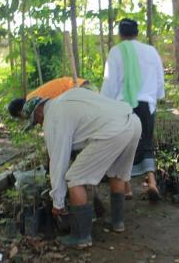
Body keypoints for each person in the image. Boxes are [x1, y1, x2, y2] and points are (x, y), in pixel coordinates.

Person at [22, 88, 141, 248]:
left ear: (39, 113)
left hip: (112, 131)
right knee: (117, 173)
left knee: (74, 178)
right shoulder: (67, 97)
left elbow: (58, 162)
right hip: (132, 121)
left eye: (37, 122)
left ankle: (81, 237)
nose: (39, 125)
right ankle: (117, 222)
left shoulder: (52, 118)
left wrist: (58, 202)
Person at [100, 18, 165, 201]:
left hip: (123, 105)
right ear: (137, 33)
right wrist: (156, 96)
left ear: (120, 34)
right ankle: (151, 182)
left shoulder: (116, 51)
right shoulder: (151, 51)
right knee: (146, 143)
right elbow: (159, 78)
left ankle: (127, 187)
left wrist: (106, 103)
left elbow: (110, 81)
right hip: (146, 103)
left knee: (124, 144)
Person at [8, 77, 93, 118]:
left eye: (20, 117)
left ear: (20, 112)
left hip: (80, 89)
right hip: (83, 85)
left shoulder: (32, 104)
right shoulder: (31, 97)